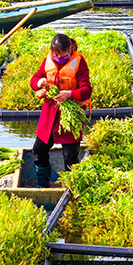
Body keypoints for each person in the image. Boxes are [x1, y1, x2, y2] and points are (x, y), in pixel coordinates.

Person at [30, 33, 92, 188]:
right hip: (50, 114)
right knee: (38, 150)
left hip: (69, 117)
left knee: (70, 156)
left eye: (61, 54)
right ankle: (43, 184)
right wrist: (39, 82)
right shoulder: (48, 60)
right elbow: (34, 79)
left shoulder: (79, 62)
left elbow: (86, 90)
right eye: (55, 54)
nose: (57, 57)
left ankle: (70, 188)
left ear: (70, 50)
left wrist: (69, 94)